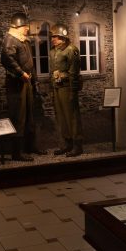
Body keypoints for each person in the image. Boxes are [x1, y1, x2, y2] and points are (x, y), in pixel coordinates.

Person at [0, 11, 42, 161]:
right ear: (18, 26)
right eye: (25, 26)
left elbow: (30, 63)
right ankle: (16, 153)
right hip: (17, 84)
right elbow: (6, 58)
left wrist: (34, 80)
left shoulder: (23, 40)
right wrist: (20, 73)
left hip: (26, 82)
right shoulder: (10, 39)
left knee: (29, 114)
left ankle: (30, 146)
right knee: (18, 116)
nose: (27, 29)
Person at [49, 24, 83, 157]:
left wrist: (73, 92)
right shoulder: (53, 51)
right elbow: (52, 71)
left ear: (62, 37)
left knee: (72, 117)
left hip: (67, 87)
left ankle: (77, 145)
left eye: (55, 37)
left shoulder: (71, 50)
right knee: (62, 117)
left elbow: (74, 73)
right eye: (52, 37)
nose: (52, 39)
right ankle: (67, 144)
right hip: (57, 87)